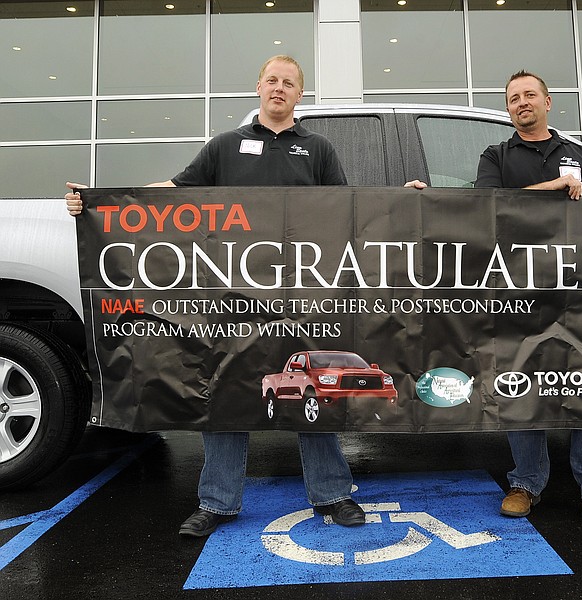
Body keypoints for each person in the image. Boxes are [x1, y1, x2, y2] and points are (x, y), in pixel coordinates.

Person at [66, 55, 366, 536]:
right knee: (225, 390)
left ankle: (332, 495)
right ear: (258, 87)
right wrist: (101, 199)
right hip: (232, 296)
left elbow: (345, 212)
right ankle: (218, 502)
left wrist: (407, 196)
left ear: (299, 95)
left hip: (300, 297)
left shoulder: (318, 149)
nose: (279, 89)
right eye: (272, 80)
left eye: (289, 83)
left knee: (315, 393)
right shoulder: (225, 146)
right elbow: (171, 194)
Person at [474, 70, 582, 527]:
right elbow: (485, 210)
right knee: (521, 382)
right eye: (513, 98)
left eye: (529, 95)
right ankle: (526, 482)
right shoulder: (497, 156)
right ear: (508, 109)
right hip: (519, 288)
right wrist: (549, 189)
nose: (521, 102)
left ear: (549, 102)